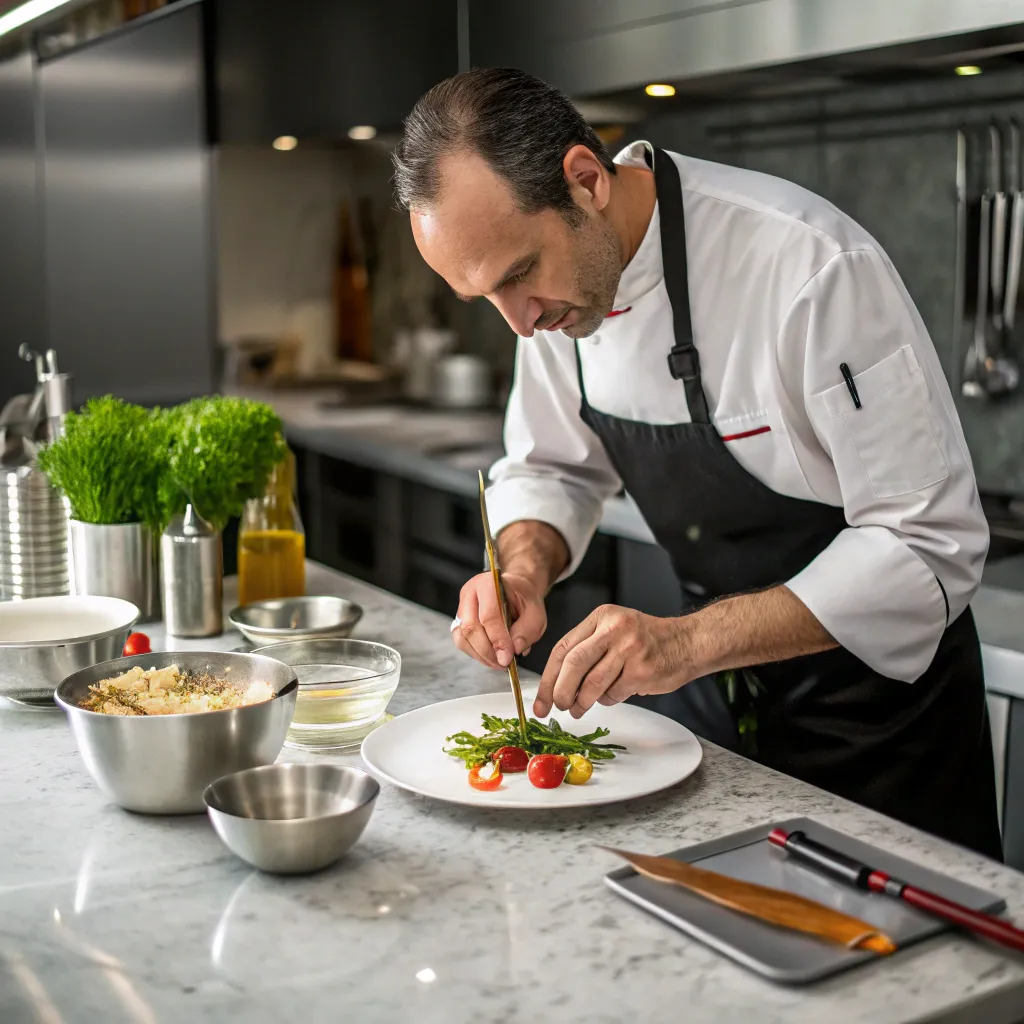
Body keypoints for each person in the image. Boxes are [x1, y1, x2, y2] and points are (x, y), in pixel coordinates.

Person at [392, 67, 1002, 859]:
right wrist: (522, 571)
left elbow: (930, 543)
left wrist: (685, 643)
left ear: (584, 181)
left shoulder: (809, 266)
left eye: (517, 275)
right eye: (486, 300)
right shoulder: (556, 307)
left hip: (885, 738)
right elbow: (553, 470)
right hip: (712, 734)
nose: (521, 324)